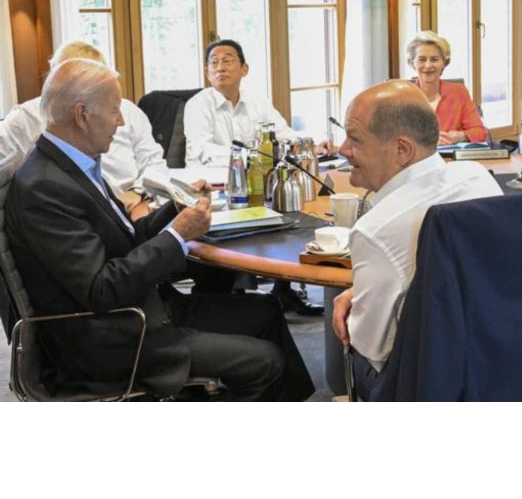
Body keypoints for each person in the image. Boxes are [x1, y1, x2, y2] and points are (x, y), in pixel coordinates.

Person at [3, 58, 314, 401]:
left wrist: (173, 210)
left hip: (141, 309)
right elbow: (101, 289)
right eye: (114, 110)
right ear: (82, 114)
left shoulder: (73, 166)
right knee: (266, 363)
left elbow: (124, 242)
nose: (121, 121)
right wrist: (176, 235)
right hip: (113, 340)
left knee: (267, 310)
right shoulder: (45, 187)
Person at [329, 80, 502, 399]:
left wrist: (361, 301)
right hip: (498, 363)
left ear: (402, 150)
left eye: (354, 138)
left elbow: (372, 347)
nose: (342, 149)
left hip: (425, 385)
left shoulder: (376, 231)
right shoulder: (476, 177)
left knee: (347, 333)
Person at [183, 38, 330, 314]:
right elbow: (202, 150)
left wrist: (310, 144)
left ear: (244, 69)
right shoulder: (198, 104)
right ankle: (232, 301)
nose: (220, 67)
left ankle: (282, 290)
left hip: (257, 180)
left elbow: (282, 134)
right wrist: (251, 154)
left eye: (227, 61)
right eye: (213, 63)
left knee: (291, 212)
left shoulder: (256, 101)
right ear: (207, 72)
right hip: (216, 188)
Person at [0, 40, 168, 217]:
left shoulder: (128, 113)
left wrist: (138, 193)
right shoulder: (25, 118)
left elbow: (155, 163)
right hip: (66, 210)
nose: (120, 122)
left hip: (133, 206)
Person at [406, 31, 487, 145]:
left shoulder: (459, 92)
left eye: (434, 59)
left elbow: (480, 132)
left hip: (449, 155)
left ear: (445, 63)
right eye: (422, 59)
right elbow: (391, 137)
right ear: (411, 63)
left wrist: (459, 136)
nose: (428, 65)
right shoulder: (402, 96)